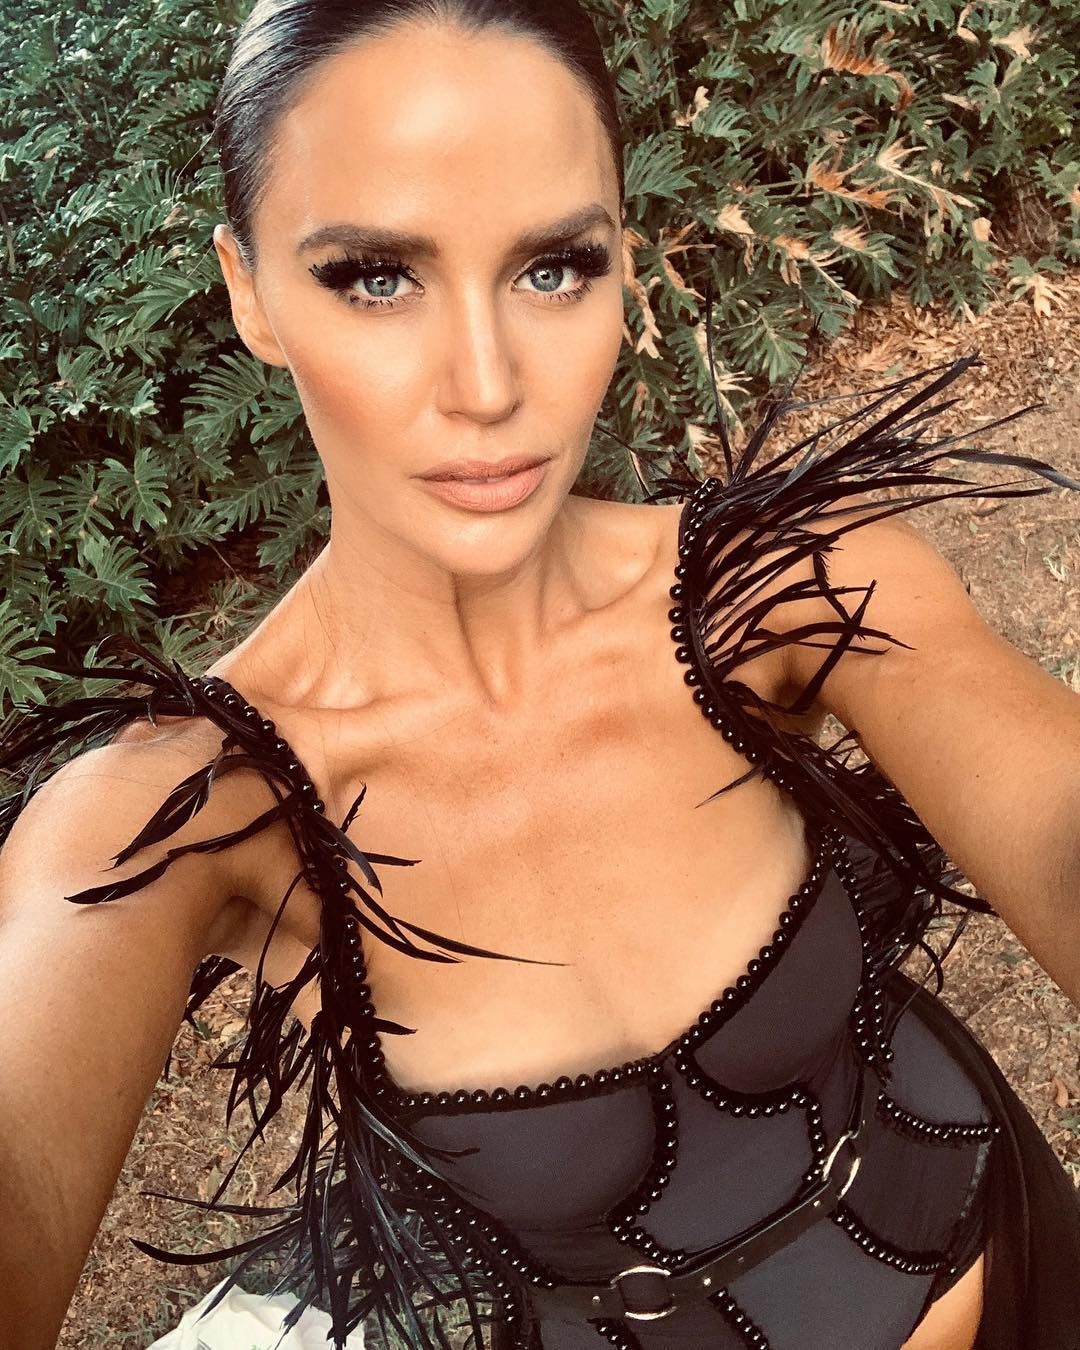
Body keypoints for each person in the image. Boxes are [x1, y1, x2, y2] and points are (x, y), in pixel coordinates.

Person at [1, 3, 1079, 1349]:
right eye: (375, 277)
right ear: (250, 291)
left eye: (554, 267)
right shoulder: (189, 812)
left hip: (1024, 1267)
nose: (487, 382)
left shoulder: (776, 597)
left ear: (624, 258)